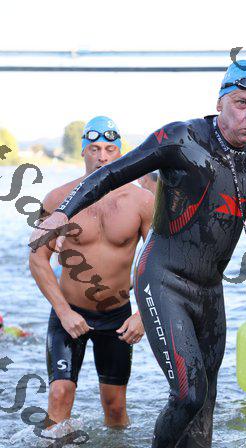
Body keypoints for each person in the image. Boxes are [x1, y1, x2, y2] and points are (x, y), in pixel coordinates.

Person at [31, 61, 246, 448]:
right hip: (163, 280)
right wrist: (63, 213)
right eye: (242, 103)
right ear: (220, 102)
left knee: (205, 401)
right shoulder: (180, 138)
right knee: (188, 393)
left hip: (208, 291)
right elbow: (111, 174)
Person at [29, 116, 154, 428]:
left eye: (110, 149)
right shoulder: (57, 199)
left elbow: (160, 262)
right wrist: (63, 312)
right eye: (94, 149)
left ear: (120, 152)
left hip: (117, 317)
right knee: (59, 394)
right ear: (83, 151)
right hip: (70, 313)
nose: (102, 156)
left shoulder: (142, 201)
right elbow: (38, 259)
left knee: (115, 407)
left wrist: (142, 315)